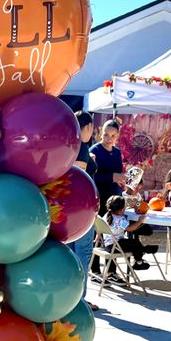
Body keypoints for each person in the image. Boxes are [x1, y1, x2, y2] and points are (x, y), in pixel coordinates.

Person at [70, 111, 99, 311]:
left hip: (70, 210)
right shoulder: (82, 146)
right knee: (83, 253)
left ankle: (72, 297)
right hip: (82, 208)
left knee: (71, 254)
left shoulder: (70, 143)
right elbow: (78, 176)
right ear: (86, 127)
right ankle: (81, 298)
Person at [103, 195, 151, 270]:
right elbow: (130, 229)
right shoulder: (120, 219)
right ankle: (139, 262)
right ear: (122, 209)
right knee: (136, 243)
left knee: (133, 243)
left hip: (107, 244)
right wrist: (139, 221)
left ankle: (144, 250)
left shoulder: (107, 216)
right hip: (116, 246)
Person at [90, 119, 125, 213]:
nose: (109, 139)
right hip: (98, 197)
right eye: (106, 135)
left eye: (113, 136)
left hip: (114, 199)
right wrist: (111, 177)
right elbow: (90, 176)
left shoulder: (117, 152)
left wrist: (123, 179)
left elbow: (118, 173)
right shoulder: (94, 151)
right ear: (102, 133)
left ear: (117, 135)